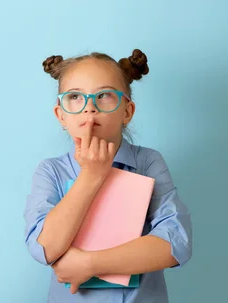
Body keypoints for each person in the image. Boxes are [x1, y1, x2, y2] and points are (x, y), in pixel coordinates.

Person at [23, 49, 192, 302]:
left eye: (103, 96)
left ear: (127, 111)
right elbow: (44, 248)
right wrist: (91, 175)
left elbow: (175, 243)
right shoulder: (51, 171)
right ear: (61, 115)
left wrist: (90, 264)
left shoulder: (148, 162)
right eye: (75, 97)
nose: (89, 108)